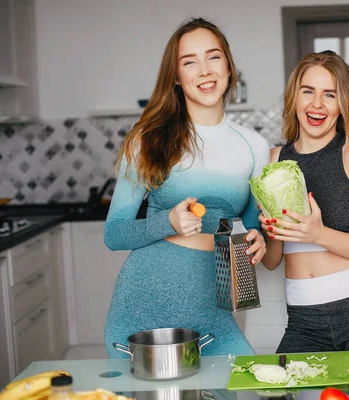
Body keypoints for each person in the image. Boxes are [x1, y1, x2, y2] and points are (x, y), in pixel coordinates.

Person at [103, 18, 269, 357]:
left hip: (213, 309)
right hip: (144, 304)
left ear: (229, 67)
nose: (204, 70)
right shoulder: (147, 141)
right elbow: (114, 234)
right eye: (189, 61)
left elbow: (249, 227)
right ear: (177, 77)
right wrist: (168, 221)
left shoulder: (255, 146)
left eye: (213, 57)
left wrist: (258, 239)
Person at [260, 51, 349, 353]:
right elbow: (272, 261)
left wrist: (319, 234)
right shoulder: (274, 160)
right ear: (294, 97)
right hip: (302, 320)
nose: (317, 104)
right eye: (308, 91)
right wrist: (271, 230)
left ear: (342, 104)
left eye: (330, 95)